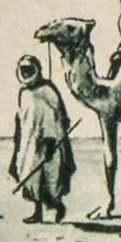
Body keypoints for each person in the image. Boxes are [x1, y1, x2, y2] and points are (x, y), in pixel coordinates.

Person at [9, 42, 75, 225]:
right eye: (23, 69)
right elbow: (22, 118)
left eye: (29, 69)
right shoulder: (24, 93)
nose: (26, 73)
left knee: (51, 178)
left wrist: (51, 140)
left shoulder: (47, 90)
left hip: (49, 142)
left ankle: (58, 206)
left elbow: (57, 115)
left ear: (37, 69)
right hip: (30, 143)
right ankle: (37, 213)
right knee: (31, 176)